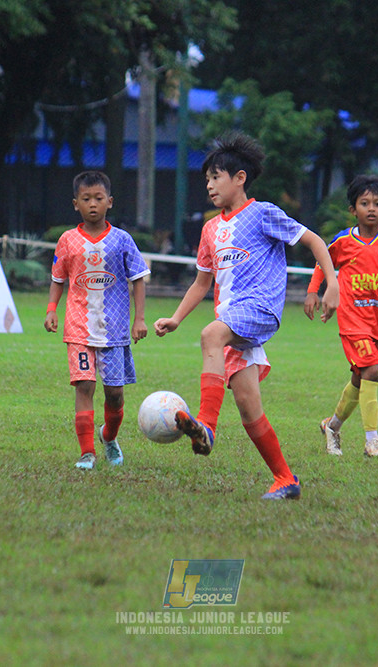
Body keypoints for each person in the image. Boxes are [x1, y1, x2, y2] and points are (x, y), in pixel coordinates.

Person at [153, 132, 340, 500]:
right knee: (248, 406)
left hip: (259, 310)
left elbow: (315, 241)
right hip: (233, 321)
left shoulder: (262, 214)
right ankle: (285, 479)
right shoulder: (209, 230)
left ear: (240, 178)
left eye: (216, 177)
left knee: (210, 335)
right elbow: (201, 283)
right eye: (206, 179)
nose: (209, 185)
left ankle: (206, 426)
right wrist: (175, 318)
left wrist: (330, 284)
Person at [304, 175, 378, 458]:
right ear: (353, 209)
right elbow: (322, 264)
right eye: (364, 203)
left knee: (360, 378)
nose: (371, 208)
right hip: (352, 319)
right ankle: (373, 441)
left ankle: (332, 426)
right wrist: (312, 292)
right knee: (373, 370)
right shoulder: (343, 241)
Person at [44, 171, 150, 469]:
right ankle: (87, 452)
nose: (93, 204)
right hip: (78, 326)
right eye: (86, 199)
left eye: (99, 199)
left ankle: (109, 436)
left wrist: (139, 319)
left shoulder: (122, 240)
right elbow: (57, 278)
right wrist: (52, 309)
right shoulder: (67, 241)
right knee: (85, 386)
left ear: (110, 202)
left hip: (114, 330)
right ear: (76, 203)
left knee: (115, 395)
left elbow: (139, 278)